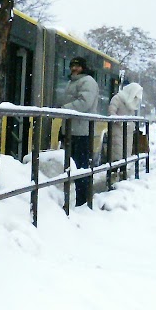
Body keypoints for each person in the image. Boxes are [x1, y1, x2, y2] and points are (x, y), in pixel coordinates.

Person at [61, 56, 99, 206]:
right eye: (72, 66)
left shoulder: (88, 81)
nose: (74, 68)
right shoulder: (74, 82)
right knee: (74, 166)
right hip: (72, 130)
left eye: (77, 66)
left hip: (81, 131)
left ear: (83, 67)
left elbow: (85, 103)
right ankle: (77, 199)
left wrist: (63, 109)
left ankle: (82, 201)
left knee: (80, 167)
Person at [108, 83, 143, 176]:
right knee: (116, 155)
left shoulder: (131, 102)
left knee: (125, 155)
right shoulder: (117, 98)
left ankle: (122, 175)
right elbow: (111, 112)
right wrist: (121, 122)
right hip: (117, 131)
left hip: (128, 132)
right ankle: (113, 176)